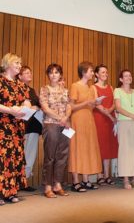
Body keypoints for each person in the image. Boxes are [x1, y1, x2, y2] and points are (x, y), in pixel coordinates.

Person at [0, 53, 29, 205]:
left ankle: (11, 192)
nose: (19, 66)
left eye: (20, 63)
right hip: (3, 125)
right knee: (3, 159)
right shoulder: (0, 81)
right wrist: (10, 110)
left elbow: (27, 102)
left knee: (14, 158)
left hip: (17, 126)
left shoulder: (20, 84)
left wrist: (26, 107)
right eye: (16, 63)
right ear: (7, 64)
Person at [68, 61, 102, 192]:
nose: (93, 73)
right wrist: (87, 102)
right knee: (77, 148)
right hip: (78, 120)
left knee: (87, 148)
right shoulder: (75, 86)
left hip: (89, 119)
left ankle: (86, 180)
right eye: (91, 71)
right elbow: (71, 106)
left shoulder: (90, 88)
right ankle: (76, 182)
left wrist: (95, 103)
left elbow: (91, 106)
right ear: (83, 72)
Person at [40, 63, 71, 198]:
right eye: (51, 72)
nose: (54, 75)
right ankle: (47, 186)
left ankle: (57, 184)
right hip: (51, 124)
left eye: (56, 72)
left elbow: (69, 106)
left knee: (63, 155)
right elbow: (46, 109)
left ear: (60, 75)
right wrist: (61, 118)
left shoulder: (65, 90)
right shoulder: (44, 89)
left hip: (65, 125)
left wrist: (66, 117)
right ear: (48, 75)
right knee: (50, 156)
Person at [114, 69, 134, 189]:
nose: (128, 77)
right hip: (124, 122)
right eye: (126, 76)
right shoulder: (117, 91)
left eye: (130, 75)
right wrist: (133, 116)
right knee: (125, 151)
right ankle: (126, 179)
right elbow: (118, 108)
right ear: (121, 79)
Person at [18, 66, 43, 192]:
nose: (29, 74)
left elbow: (39, 105)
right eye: (26, 72)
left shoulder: (32, 90)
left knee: (30, 155)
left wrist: (37, 106)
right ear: (20, 76)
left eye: (30, 72)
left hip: (33, 126)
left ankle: (24, 181)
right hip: (21, 126)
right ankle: (14, 182)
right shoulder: (17, 88)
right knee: (19, 155)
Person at [93, 64, 118, 186]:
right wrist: (109, 114)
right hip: (100, 119)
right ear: (96, 74)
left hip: (110, 119)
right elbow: (96, 104)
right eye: (102, 72)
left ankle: (107, 175)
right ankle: (99, 176)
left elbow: (114, 103)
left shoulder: (111, 87)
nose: (105, 74)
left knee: (109, 146)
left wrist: (111, 111)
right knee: (100, 146)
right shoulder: (93, 87)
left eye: (106, 72)